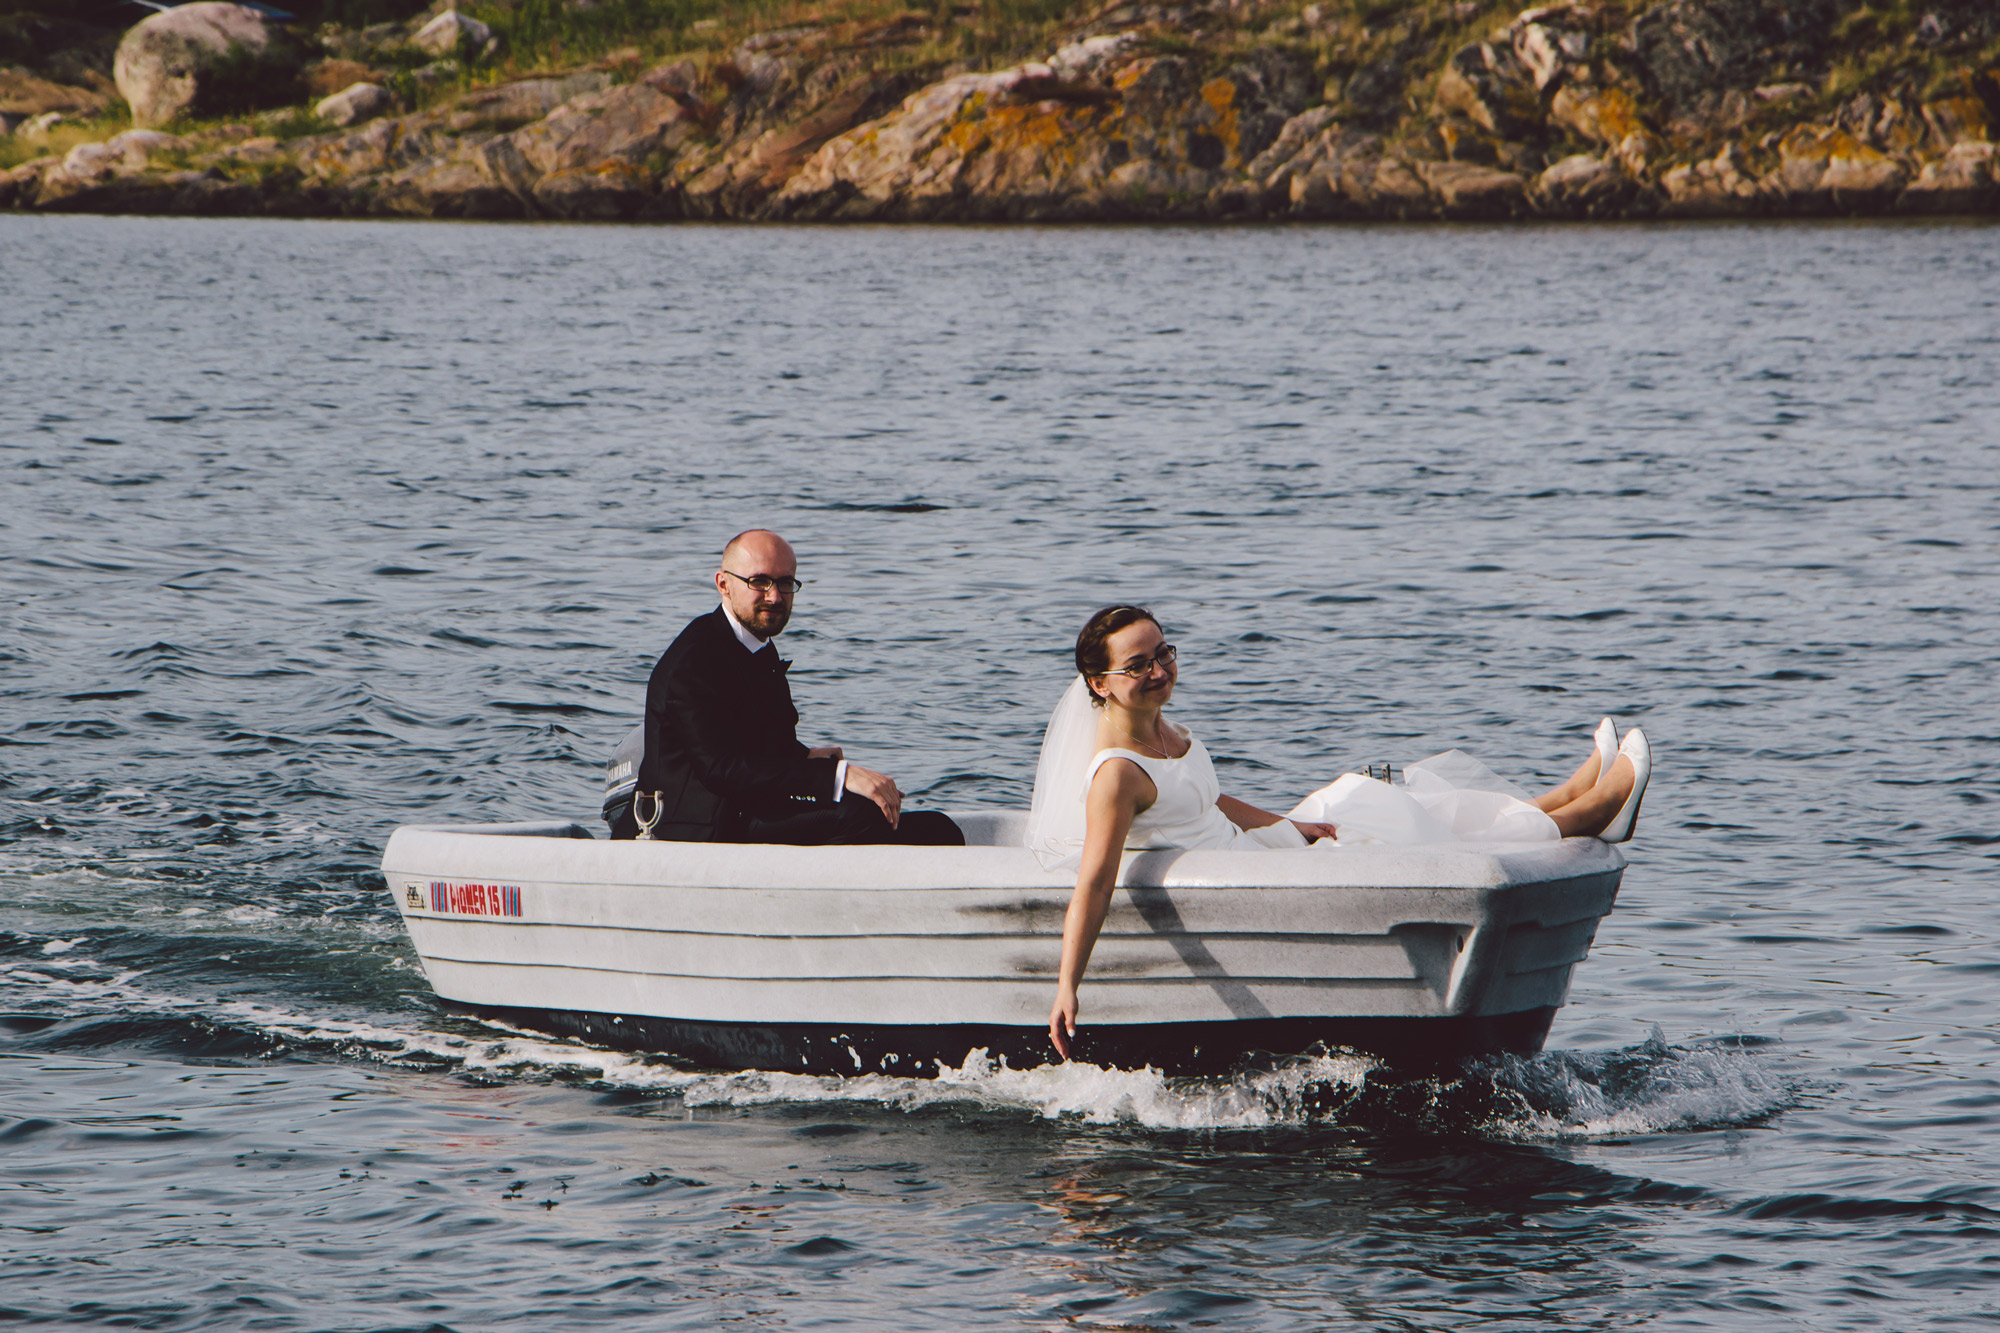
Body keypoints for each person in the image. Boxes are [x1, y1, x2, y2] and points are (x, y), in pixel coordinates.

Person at [1035, 604, 1652, 1059]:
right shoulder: (1116, 774)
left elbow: (1208, 799)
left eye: (1164, 654)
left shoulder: (1162, 727)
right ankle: (1580, 817)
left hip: (1257, 846)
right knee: (1399, 834)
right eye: (1138, 665)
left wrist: (1289, 825)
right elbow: (1096, 880)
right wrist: (1066, 986)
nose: (1158, 671)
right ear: (1100, 683)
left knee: (1384, 805)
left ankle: (1559, 803)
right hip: (1243, 875)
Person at [608, 529, 962, 846]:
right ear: (723, 584)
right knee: (861, 816)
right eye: (759, 581)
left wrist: (805, 758)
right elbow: (721, 769)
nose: (775, 596)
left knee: (937, 827)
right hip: (694, 830)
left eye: (785, 583)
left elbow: (751, 744)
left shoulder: (755, 645)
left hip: (744, 811)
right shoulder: (695, 659)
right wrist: (839, 776)